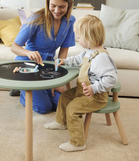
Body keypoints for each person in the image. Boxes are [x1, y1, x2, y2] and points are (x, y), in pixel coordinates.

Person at [44, 15, 117, 152]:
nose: (77, 39)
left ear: (90, 38)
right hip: (82, 91)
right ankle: (61, 122)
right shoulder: (89, 51)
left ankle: (78, 143)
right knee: (65, 97)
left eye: (79, 37)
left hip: (95, 96)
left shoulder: (102, 57)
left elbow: (111, 78)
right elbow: (79, 59)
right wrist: (65, 61)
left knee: (72, 109)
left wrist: (94, 88)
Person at [10, 0, 76, 114]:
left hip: (47, 67)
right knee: (44, 107)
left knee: (62, 105)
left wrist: (56, 81)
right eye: (53, 6)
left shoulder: (69, 21)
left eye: (62, 6)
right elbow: (14, 47)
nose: (57, 10)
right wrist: (28, 53)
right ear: (48, 3)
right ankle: (23, 92)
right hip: (27, 66)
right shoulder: (37, 18)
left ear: (69, 5)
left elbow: (63, 53)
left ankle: (35, 92)